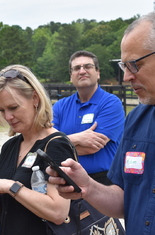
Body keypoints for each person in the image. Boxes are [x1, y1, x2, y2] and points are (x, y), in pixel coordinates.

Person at [47, 11, 155, 235]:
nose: (126, 77)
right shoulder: (136, 119)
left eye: (134, 64)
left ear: (97, 72)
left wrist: (62, 140)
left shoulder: (111, 103)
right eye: (123, 66)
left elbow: (87, 143)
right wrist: (86, 187)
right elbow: (126, 201)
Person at [0, 64, 76, 235]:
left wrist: (11, 186)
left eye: (13, 107)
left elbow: (58, 212)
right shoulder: (10, 146)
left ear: (35, 98)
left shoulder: (56, 145)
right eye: (2, 110)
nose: (8, 117)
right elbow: (9, 204)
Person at [52, 50, 125, 184]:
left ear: (98, 73)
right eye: (76, 68)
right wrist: (77, 138)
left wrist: (59, 145)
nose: (82, 71)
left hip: (104, 181)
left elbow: (92, 147)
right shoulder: (59, 107)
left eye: (88, 66)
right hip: (66, 180)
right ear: (71, 76)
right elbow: (47, 144)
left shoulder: (111, 103)